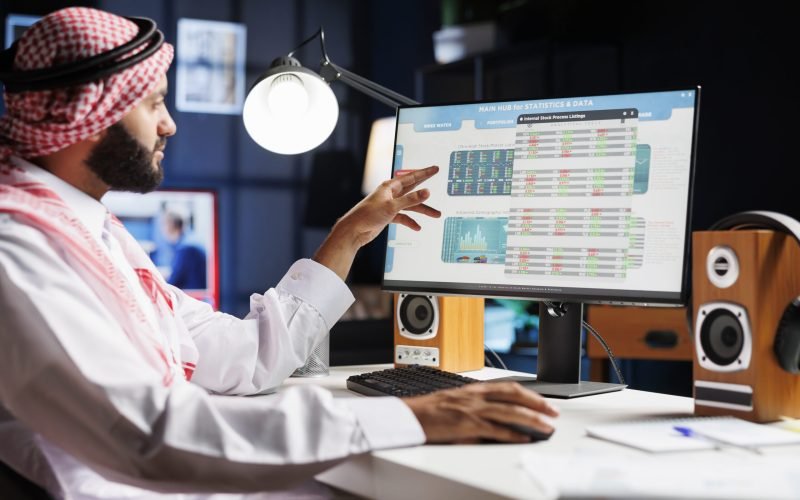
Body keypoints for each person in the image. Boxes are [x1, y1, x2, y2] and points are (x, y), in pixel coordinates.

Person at [0, 7, 559, 499]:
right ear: (85, 116)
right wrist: (406, 417)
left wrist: (346, 238)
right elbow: (150, 434)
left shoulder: (87, 233)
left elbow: (243, 355)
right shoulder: (19, 249)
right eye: (153, 105)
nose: (168, 124)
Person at [160, 210, 207, 289]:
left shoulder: (186, 249)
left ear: (170, 225)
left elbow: (173, 283)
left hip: (193, 296)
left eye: (163, 225)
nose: (162, 230)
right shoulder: (190, 240)